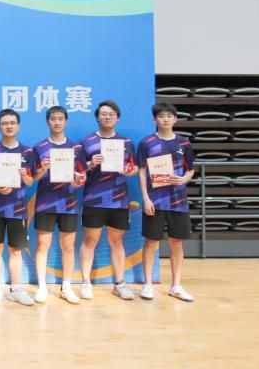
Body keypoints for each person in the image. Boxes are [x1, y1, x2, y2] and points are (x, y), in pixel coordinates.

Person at [78, 100, 138, 301]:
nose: (107, 117)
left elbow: (135, 168)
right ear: (97, 117)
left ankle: (119, 283)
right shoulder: (86, 142)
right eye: (103, 113)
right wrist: (90, 163)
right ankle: (86, 283)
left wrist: (129, 171)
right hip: (93, 199)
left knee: (117, 240)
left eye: (111, 114)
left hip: (119, 199)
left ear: (117, 118)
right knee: (90, 240)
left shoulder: (126, 143)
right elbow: (77, 170)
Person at [137, 103, 195, 302]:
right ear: (155, 119)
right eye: (161, 116)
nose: (166, 119)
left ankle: (176, 285)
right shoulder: (146, 143)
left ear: (175, 119)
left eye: (170, 116)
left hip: (178, 201)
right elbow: (141, 171)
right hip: (154, 201)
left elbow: (190, 170)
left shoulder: (184, 143)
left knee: (176, 242)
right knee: (151, 242)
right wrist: (146, 198)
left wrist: (184, 178)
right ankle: (147, 284)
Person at [0, 109, 36, 306]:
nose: (9, 126)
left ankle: (16, 289)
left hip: (18, 209)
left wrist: (24, 175)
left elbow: (30, 182)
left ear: (18, 126)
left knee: (15, 250)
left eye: (12, 123)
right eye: (5, 123)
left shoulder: (27, 152)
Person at [32, 106, 86, 304]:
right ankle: (42, 286)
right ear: (48, 121)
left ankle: (66, 286)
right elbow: (33, 177)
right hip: (45, 202)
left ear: (66, 121)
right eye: (53, 119)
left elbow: (82, 174)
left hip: (69, 203)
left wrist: (78, 181)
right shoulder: (39, 148)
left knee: (68, 246)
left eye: (60, 119)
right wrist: (42, 169)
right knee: (42, 245)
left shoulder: (76, 148)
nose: (57, 122)